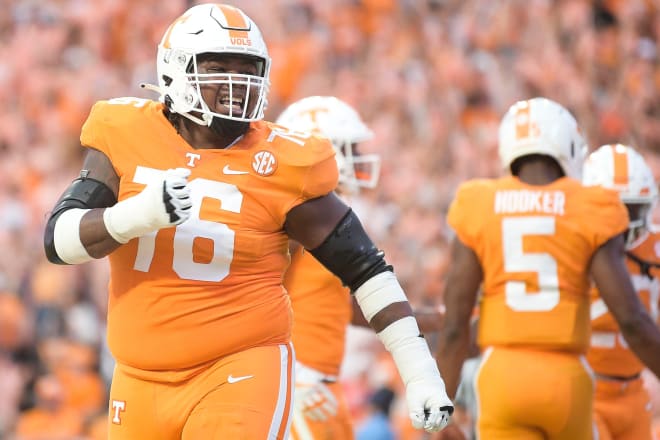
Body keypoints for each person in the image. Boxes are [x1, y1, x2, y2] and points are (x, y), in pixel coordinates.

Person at [41, 4, 453, 439]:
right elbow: (57, 241)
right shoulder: (124, 130)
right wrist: (135, 215)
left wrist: (420, 371)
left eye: (248, 69)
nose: (237, 84)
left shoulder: (282, 162)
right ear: (176, 70)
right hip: (139, 375)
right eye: (219, 67)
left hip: (239, 366)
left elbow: (366, 268)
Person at [435, 97, 660, 439]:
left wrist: (439, 409)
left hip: (504, 376)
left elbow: (455, 327)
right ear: (568, 148)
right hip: (567, 376)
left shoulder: (477, 202)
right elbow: (632, 320)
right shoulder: (591, 206)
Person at [275, 96, 445, 440]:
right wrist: (291, 379)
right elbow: (262, 293)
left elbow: (340, 307)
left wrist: (425, 319)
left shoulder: (324, 218)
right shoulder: (295, 213)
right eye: (348, 147)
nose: (356, 156)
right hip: (300, 380)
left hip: (320, 379)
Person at [583, 143, 660, 440]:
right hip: (587, 389)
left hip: (635, 390)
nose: (622, 227)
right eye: (613, 212)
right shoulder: (573, 247)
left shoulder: (653, 247)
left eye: (630, 211)